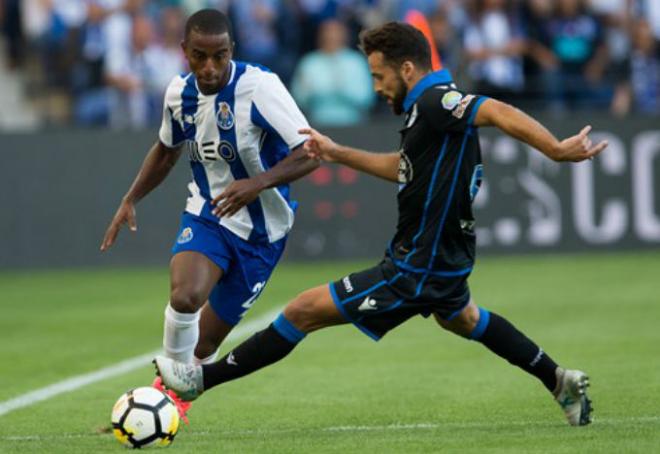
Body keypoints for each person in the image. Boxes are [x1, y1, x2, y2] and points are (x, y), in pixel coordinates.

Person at [155, 21, 606, 426]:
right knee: (463, 319)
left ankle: (200, 382)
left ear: (406, 68)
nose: (375, 87)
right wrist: (336, 152)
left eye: (378, 75)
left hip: (418, 265)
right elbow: (401, 167)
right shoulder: (424, 114)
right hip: (444, 258)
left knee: (301, 312)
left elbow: (492, 109)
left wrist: (555, 149)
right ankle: (557, 379)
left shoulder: (435, 100)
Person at [100, 9, 318, 421]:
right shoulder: (178, 93)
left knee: (203, 348)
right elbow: (166, 150)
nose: (210, 66)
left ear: (231, 50)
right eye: (200, 55)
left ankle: (175, 393)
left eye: (219, 55)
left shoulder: (260, 87)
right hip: (208, 212)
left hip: (262, 231)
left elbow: (310, 152)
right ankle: (162, 398)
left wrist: (257, 183)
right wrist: (131, 198)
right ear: (185, 52)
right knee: (185, 296)